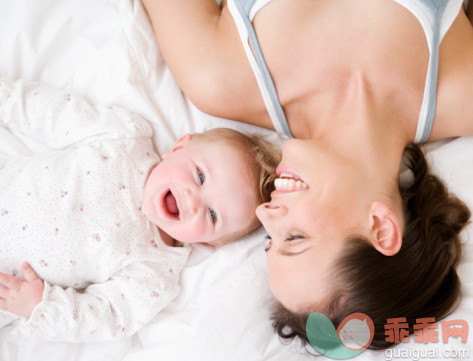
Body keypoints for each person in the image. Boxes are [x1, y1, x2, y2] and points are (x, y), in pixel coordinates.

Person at [142, 0, 473, 349]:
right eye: (295, 238)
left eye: (271, 239)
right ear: (380, 226)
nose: (264, 214)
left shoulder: (218, 77)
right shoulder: (462, 94)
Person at [0, 77, 280, 342]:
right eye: (200, 177)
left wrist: (40, 306)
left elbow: (105, 318)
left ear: (210, 242)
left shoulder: (154, 273)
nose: (193, 201)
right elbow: (52, 115)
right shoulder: (125, 137)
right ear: (179, 146)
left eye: (213, 215)